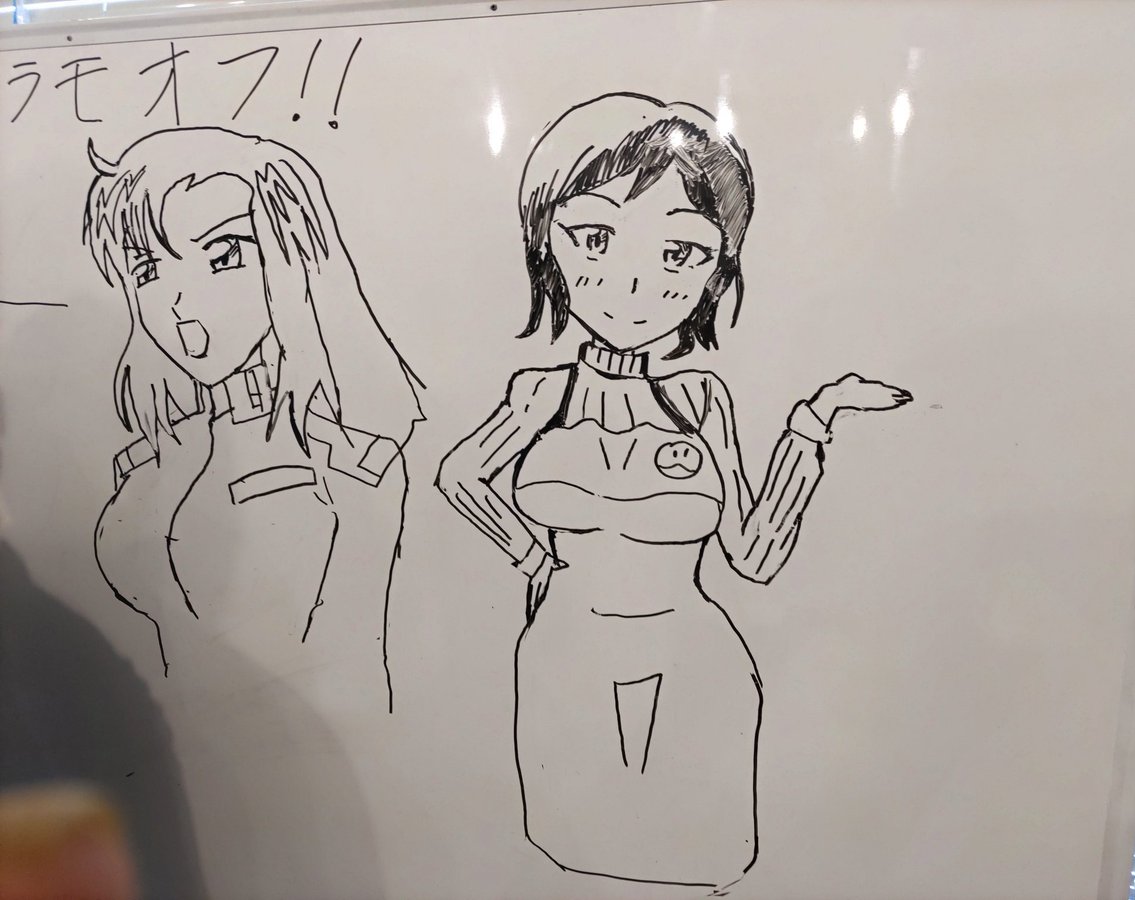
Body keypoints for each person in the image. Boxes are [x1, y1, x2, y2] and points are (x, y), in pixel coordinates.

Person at [437, 92, 912, 886]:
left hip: (695, 657)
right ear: (547, 246)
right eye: (596, 238)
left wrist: (812, 426)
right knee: (566, 859)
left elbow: (753, 554)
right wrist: (532, 556)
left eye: (680, 252)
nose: (633, 282)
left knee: (699, 860)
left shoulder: (699, 401)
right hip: (563, 654)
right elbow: (460, 474)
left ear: (716, 272)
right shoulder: (541, 393)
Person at [84, 127, 422, 711]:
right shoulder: (157, 457)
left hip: (301, 742)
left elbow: (352, 664)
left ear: (294, 261)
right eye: (147, 270)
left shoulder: (351, 460)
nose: (179, 302)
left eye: (225, 256)